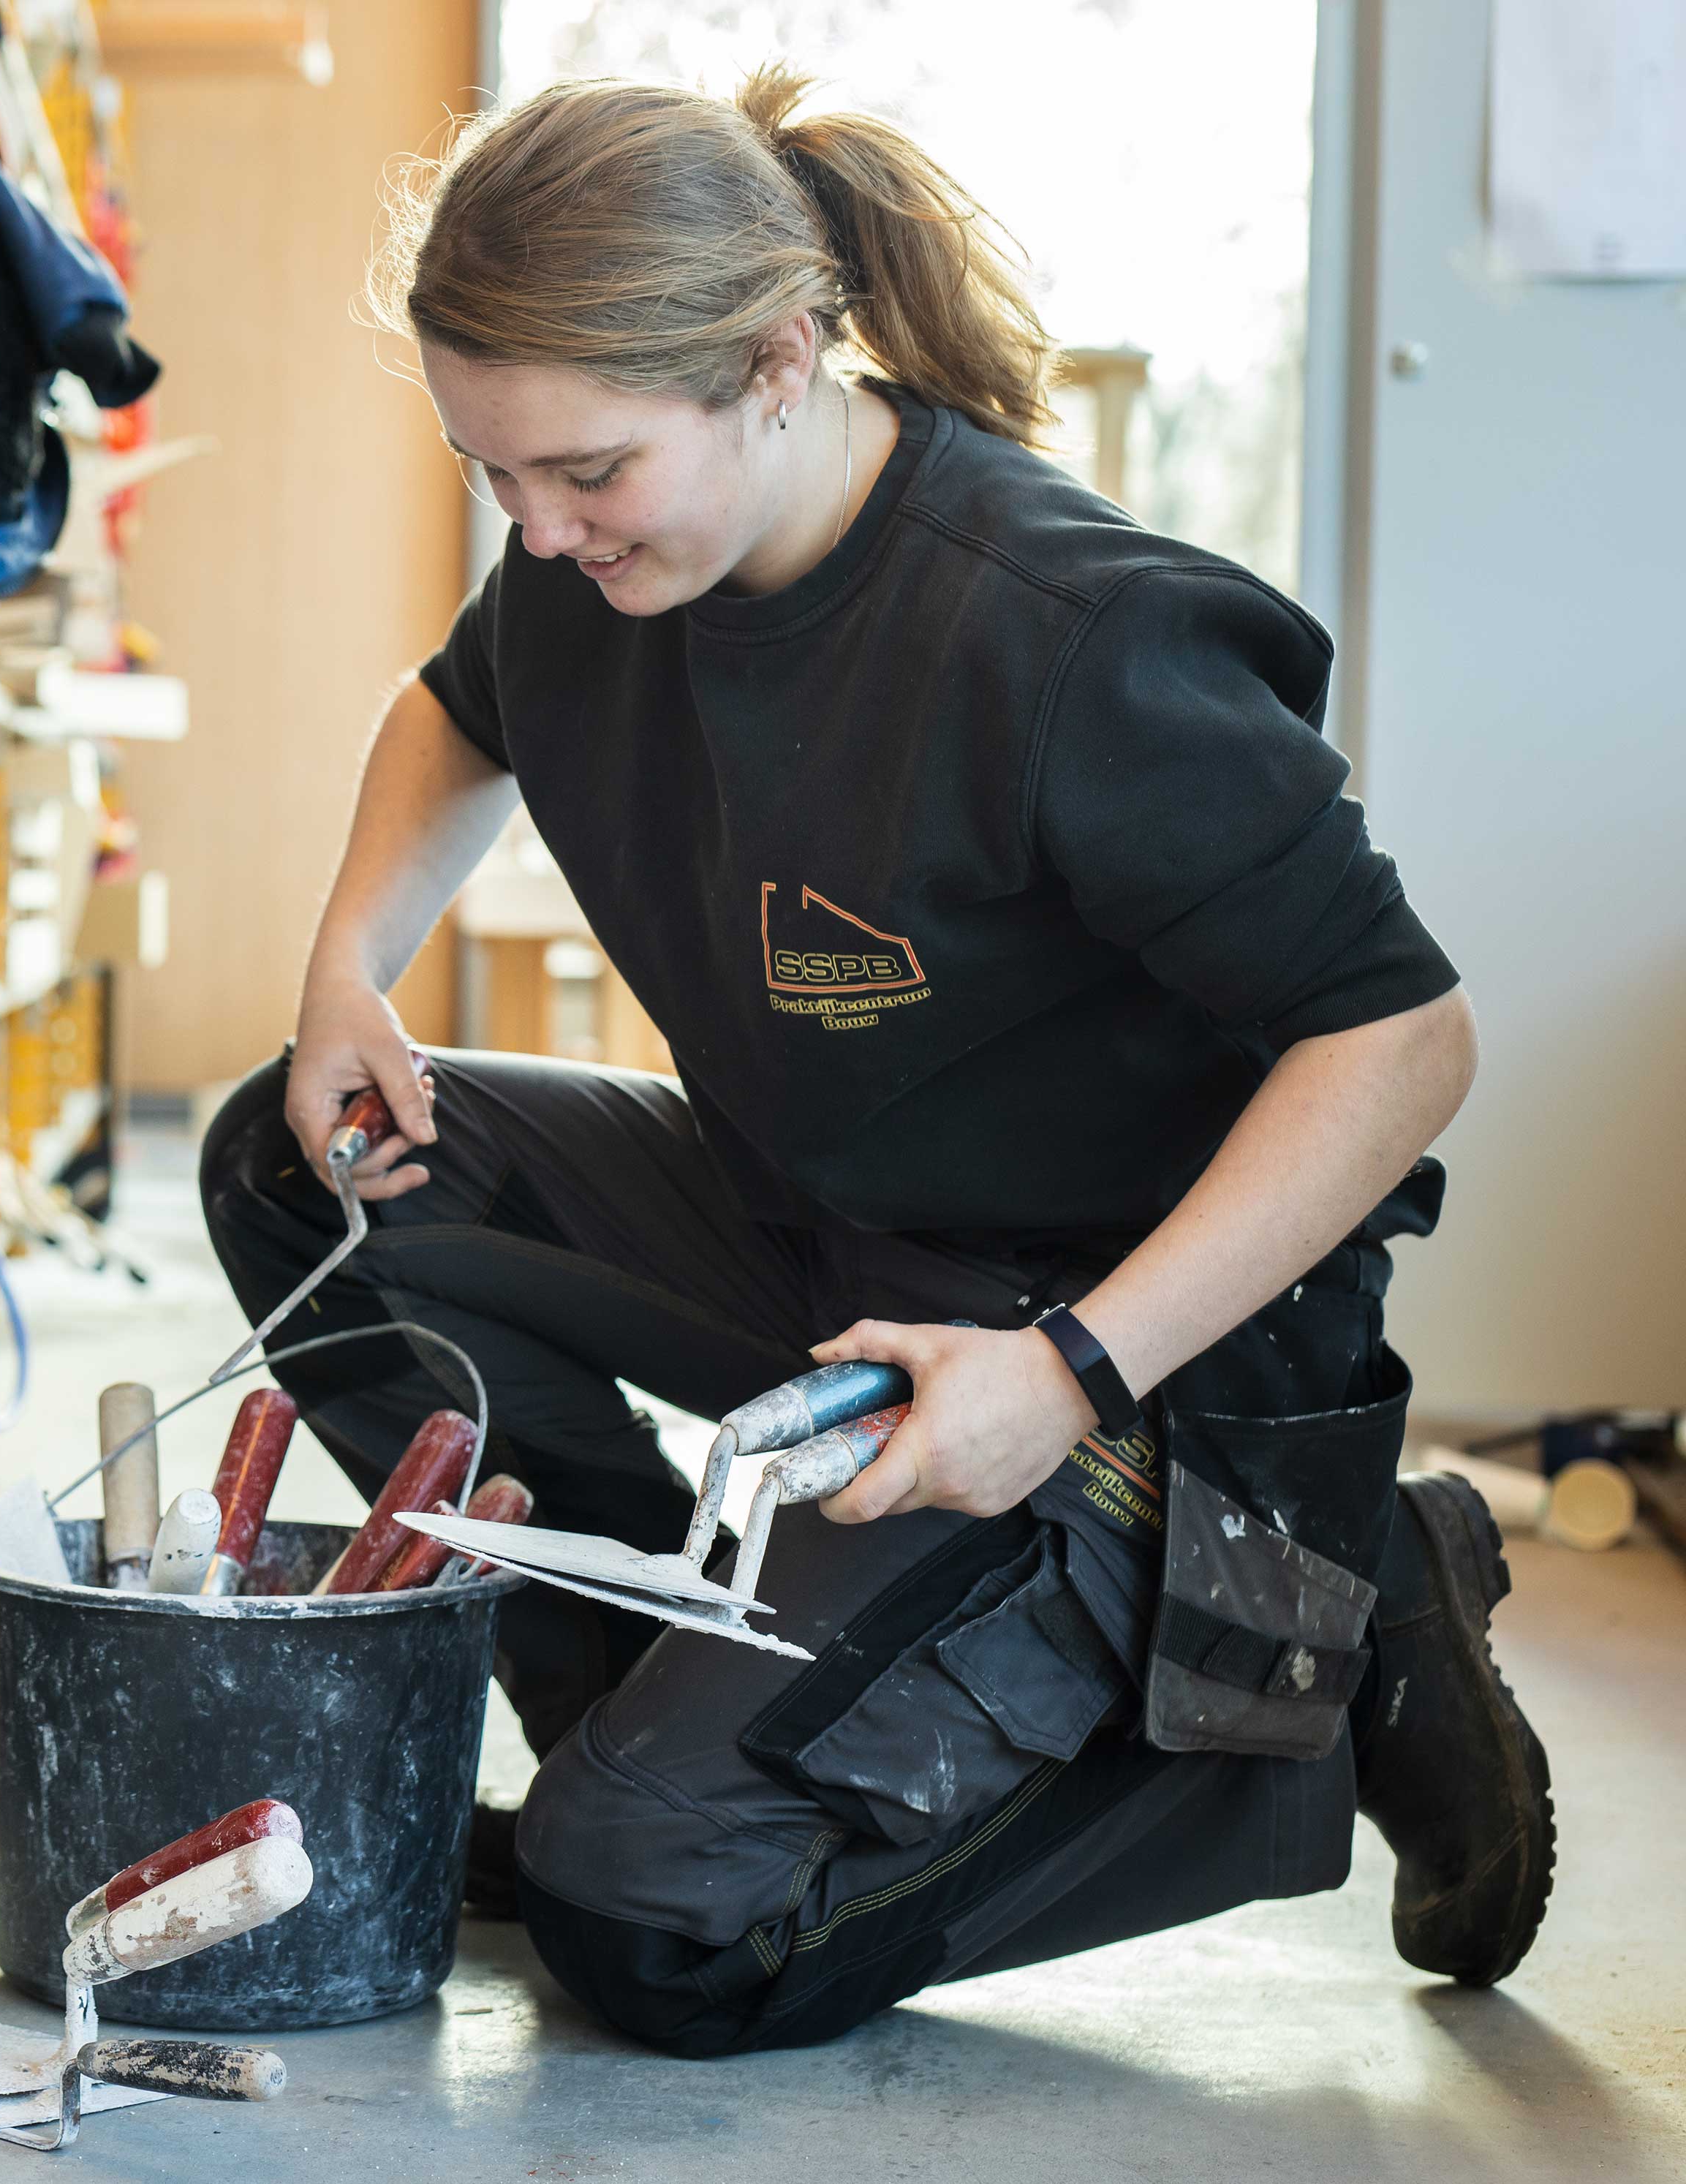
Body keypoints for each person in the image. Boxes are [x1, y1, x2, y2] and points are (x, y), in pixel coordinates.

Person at [200, 67, 1549, 2057]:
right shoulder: (595, 568)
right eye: (496, 478)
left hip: (1113, 1364)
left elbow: (1406, 1040)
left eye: (585, 472)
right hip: (817, 1231)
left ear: (779, 359)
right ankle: (644, 1712)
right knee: (293, 1161)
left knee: (653, 1929)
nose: (540, 530)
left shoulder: (1064, 637)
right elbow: (455, 705)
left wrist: (1071, 1369)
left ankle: (1292, 1701)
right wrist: (346, 970)